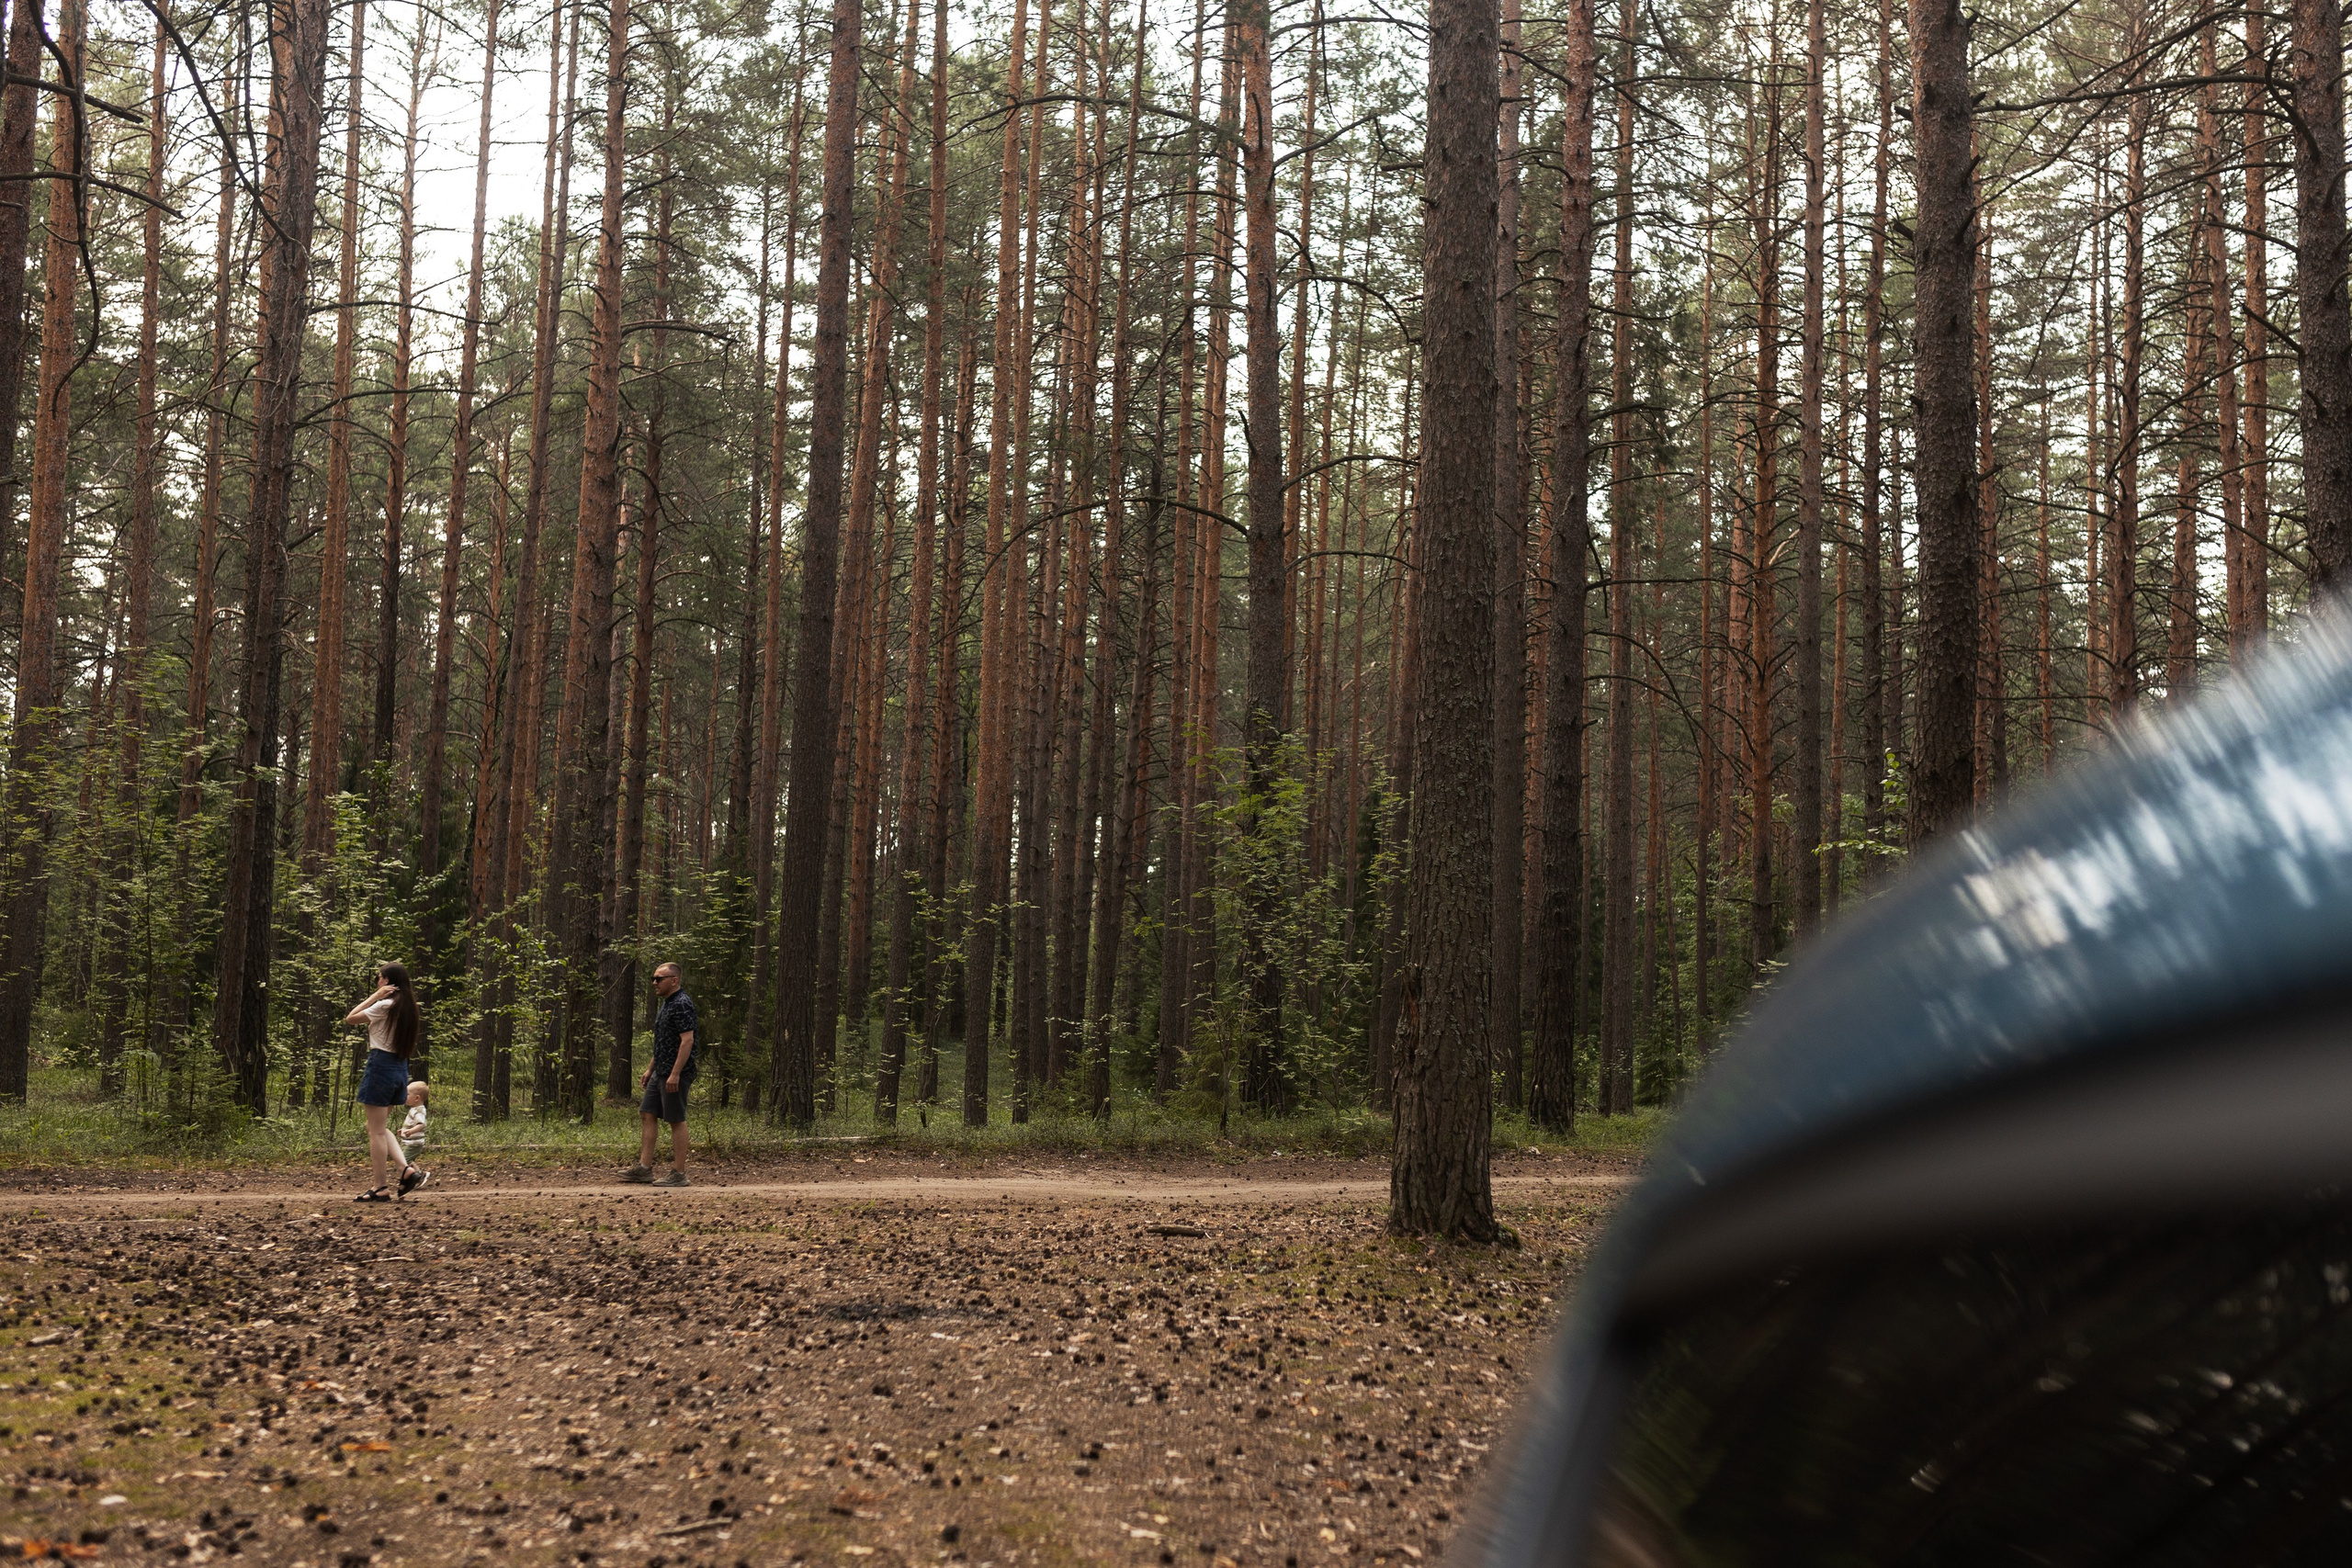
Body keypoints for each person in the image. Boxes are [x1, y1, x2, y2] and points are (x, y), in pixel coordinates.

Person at [345, 963, 432, 1202]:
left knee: (375, 1132)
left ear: (387, 982)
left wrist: (375, 997)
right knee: (377, 1129)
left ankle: (380, 1187)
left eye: (378, 978)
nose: (376, 981)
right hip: (400, 1068)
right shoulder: (408, 1008)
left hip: (381, 1067)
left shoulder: (385, 1005)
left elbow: (350, 1019)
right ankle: (407, 1170)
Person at [623, 962, 697, 1188]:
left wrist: (675, 1074)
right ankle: (644, 1169)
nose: (654, 982)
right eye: (653, 978)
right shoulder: (667, 1004)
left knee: (676, 1119)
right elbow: (664, 1041)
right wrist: (650, 1069)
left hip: (675, 1073)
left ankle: (679, 1174)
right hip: (661, 1071)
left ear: (674, 980)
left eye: (659, 978)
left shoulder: (682, 1004)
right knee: (647, 1113)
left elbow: (687, 1041)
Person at [396, 1080, 430, 1166]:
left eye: (407, 1094)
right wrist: (404, 1130)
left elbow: (421, 1124)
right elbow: (412, 1124)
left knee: (405, 1160)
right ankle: (413, 1176)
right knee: (405, 1160)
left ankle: (420, 1175)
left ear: (417, 1098)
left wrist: (411, 1131)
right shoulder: (414, 1109)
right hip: (409, 1142)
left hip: (414, 1143)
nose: (404, 1096)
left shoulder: (419, 1111)